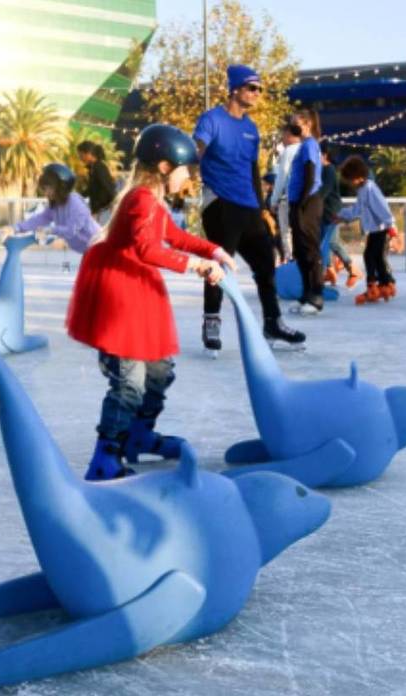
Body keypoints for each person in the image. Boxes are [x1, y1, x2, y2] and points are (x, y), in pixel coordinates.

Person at [65, 124, 236, 481]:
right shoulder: (141, 198)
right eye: (185, 170)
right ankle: (105, 455)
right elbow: (147, 249)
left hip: (139, 293)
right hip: (121, 298)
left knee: (159, 372)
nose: (188, 177)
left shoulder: (152, 201)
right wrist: (198, 265)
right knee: (129, 382)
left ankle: (138, 436)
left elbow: (172, 236)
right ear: (164, 166)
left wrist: (213, 249)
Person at [194, 64, 304, 352]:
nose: (257, 93)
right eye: (252, 88)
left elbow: (253, 169)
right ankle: (212, 323)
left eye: (259, 89)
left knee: (266, 264)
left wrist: (261, 208)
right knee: (219, 265)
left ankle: (272, 323)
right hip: (220, 203)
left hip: (248, 205)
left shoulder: (251, 129)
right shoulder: (212, 120)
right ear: (235, 89)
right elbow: (198, 153)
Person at [338, 156, 397, 304]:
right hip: (374, 230)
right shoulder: (363, 190)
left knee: (372, 257)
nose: (350, 183)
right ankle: (384, 284)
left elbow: (381, 207)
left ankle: (378, 285)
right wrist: (341, 215)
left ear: (358, 176)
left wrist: (390, 225)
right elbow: (358, 209)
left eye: (351, 179)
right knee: (374, 257)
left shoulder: (369, 188)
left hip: (382, 229)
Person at [8, 163, 99, 253]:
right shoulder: (56, 205)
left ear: (60, 187)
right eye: (44, 189)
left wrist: (50, 230)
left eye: (49, 188)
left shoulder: (75, 202)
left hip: (99, 247)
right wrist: (15, 228)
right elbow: (39, 219)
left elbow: (71, 230)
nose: (45, 193)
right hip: (88, 250)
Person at [286, 109, 325, 314]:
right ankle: (306, 294)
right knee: (300, 251)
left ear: (308, 124)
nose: (292, 126)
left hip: (308, 202)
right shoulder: (303, 146)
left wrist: (301, 202)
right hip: (298, 203)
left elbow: (310, 176)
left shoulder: (310, 145)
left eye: (296, 122)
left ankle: (316, 296)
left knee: (310, 250)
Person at [319, 143, 360, 287]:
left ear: (324, 155)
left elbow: (325, 191)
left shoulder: (329, 170)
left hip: (332, 211)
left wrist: (310, 201)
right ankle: (329, 273)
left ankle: (352, 269)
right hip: (322, 212)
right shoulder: (320, 170)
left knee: (331, 242)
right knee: (323, 242)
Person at [268, 122, 302, 259]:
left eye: (283, 135)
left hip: (288, 198)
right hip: (306, 198)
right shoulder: (307, 149)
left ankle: (290, 260)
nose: (282, 139)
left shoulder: (288, 151)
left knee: (286, 232)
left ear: (288, 134)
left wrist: (273, 200)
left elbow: (281, 177)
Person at [77, 140, 115, 223]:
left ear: (88, 153)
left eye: (81, 155)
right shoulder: (93, 167)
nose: (80, 158)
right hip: (97, 208)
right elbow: (92, 188)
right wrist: (79, 195)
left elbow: (107, 185)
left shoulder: (99, 167)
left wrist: (112, 202)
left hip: (102, 207)